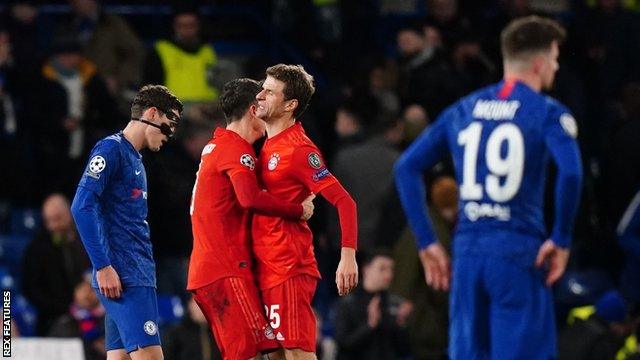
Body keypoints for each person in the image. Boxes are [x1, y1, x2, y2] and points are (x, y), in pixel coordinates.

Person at [394, 16, 583, 359]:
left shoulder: (464, 109)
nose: (556, 67)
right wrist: (562, 238)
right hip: (518, 251)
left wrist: (427, 242)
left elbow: (406, 166)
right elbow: (571, 173)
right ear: (539, 64)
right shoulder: (547, 111)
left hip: (466, 255)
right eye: (555, 59)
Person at [187, 78, 315, 360]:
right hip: (225, 269)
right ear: (253, 110)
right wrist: (298, 211)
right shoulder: (236, 150)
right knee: (246, 355)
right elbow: (250, 198)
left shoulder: (219, 146)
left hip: (219, 268)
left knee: (272, 351)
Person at [252, 64, 359, 359]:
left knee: (297, 353)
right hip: (266, 264)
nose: (259, 95)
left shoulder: (299, 150)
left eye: (269, 92)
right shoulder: (268, 143)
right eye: (262, 88)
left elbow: (344, 201)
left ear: (290, 105)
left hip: (287, 266)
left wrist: (347, 257)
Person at [71, 84, 183, 360]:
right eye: (169, 125)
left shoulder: (136, 158)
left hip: (134, 271)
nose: (171, 135)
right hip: (126, 274)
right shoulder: (112, 150)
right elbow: (81, 207)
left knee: (119, 357)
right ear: (152, 114)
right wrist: (103, 266)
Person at [22, 193, 90, 336]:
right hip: (58, 318)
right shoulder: (37, 249)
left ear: (69, 214)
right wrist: (69, 308)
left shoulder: (87, 241)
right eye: (49, 221)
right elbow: (31, 291)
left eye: (58, 219)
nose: (53, 226)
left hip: (94, 311)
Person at [334, 250, 412, 360]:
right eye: (382, 269)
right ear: (366, 269)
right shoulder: (347, 303)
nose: (388, 275)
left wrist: (401, 323)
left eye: (391, 270)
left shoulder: (394, 303)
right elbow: (344, 345)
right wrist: (369, 325)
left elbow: (403, 350)